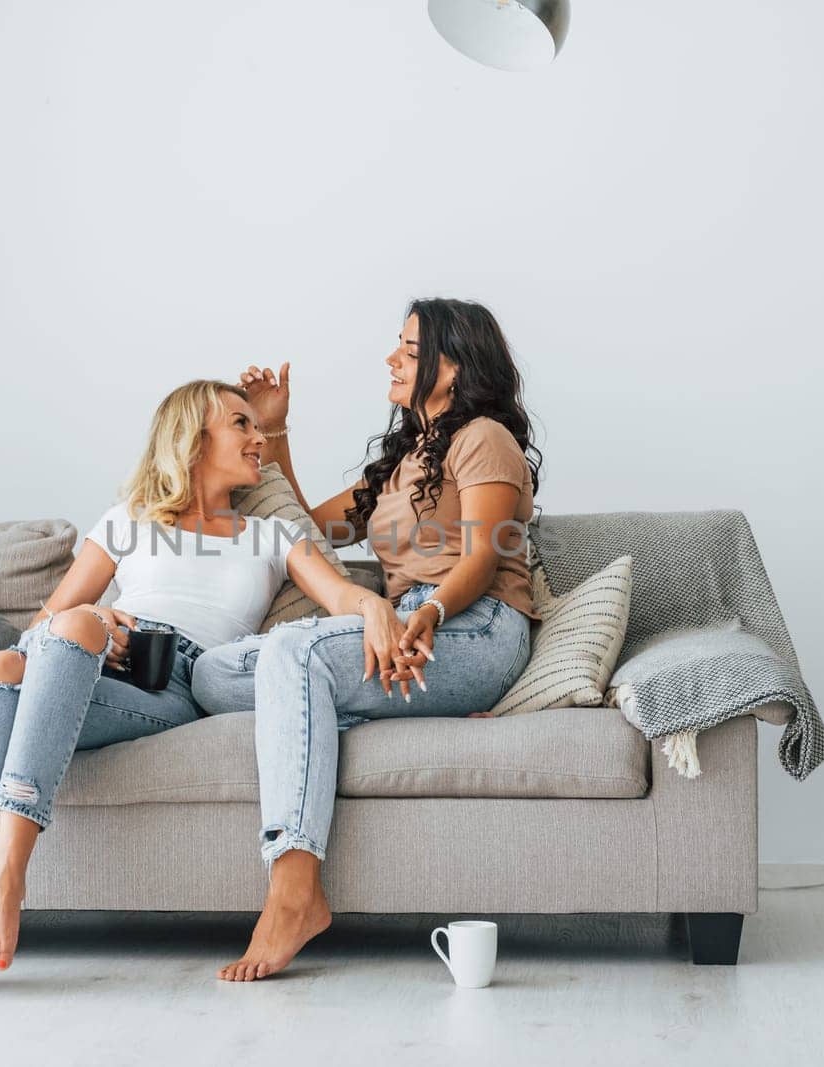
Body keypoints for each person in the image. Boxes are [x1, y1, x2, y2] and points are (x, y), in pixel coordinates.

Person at [0, 379, 380, 998]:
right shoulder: (125, 524)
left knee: (46, 646)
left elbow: (340, 597)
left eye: (258, 427)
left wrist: (385, 612)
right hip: (88, 660)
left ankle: (0, 878)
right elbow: (36, 634)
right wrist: (102, 623)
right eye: (242, 426)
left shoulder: (272, 537)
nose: (259, 441)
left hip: (172, 681)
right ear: (193, 438)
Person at [191, 298, 544, 982]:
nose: (391, 358)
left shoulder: (484, 439)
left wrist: (432, 613)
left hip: (474, 627)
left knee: (294, 652)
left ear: (454, 366)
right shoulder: (407, 458)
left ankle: (295, 892)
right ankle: (336, 703)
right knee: (212, 673)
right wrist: (276, 428)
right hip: (406, 627)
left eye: (410, 351)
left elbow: (480, 557)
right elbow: (312, 530)